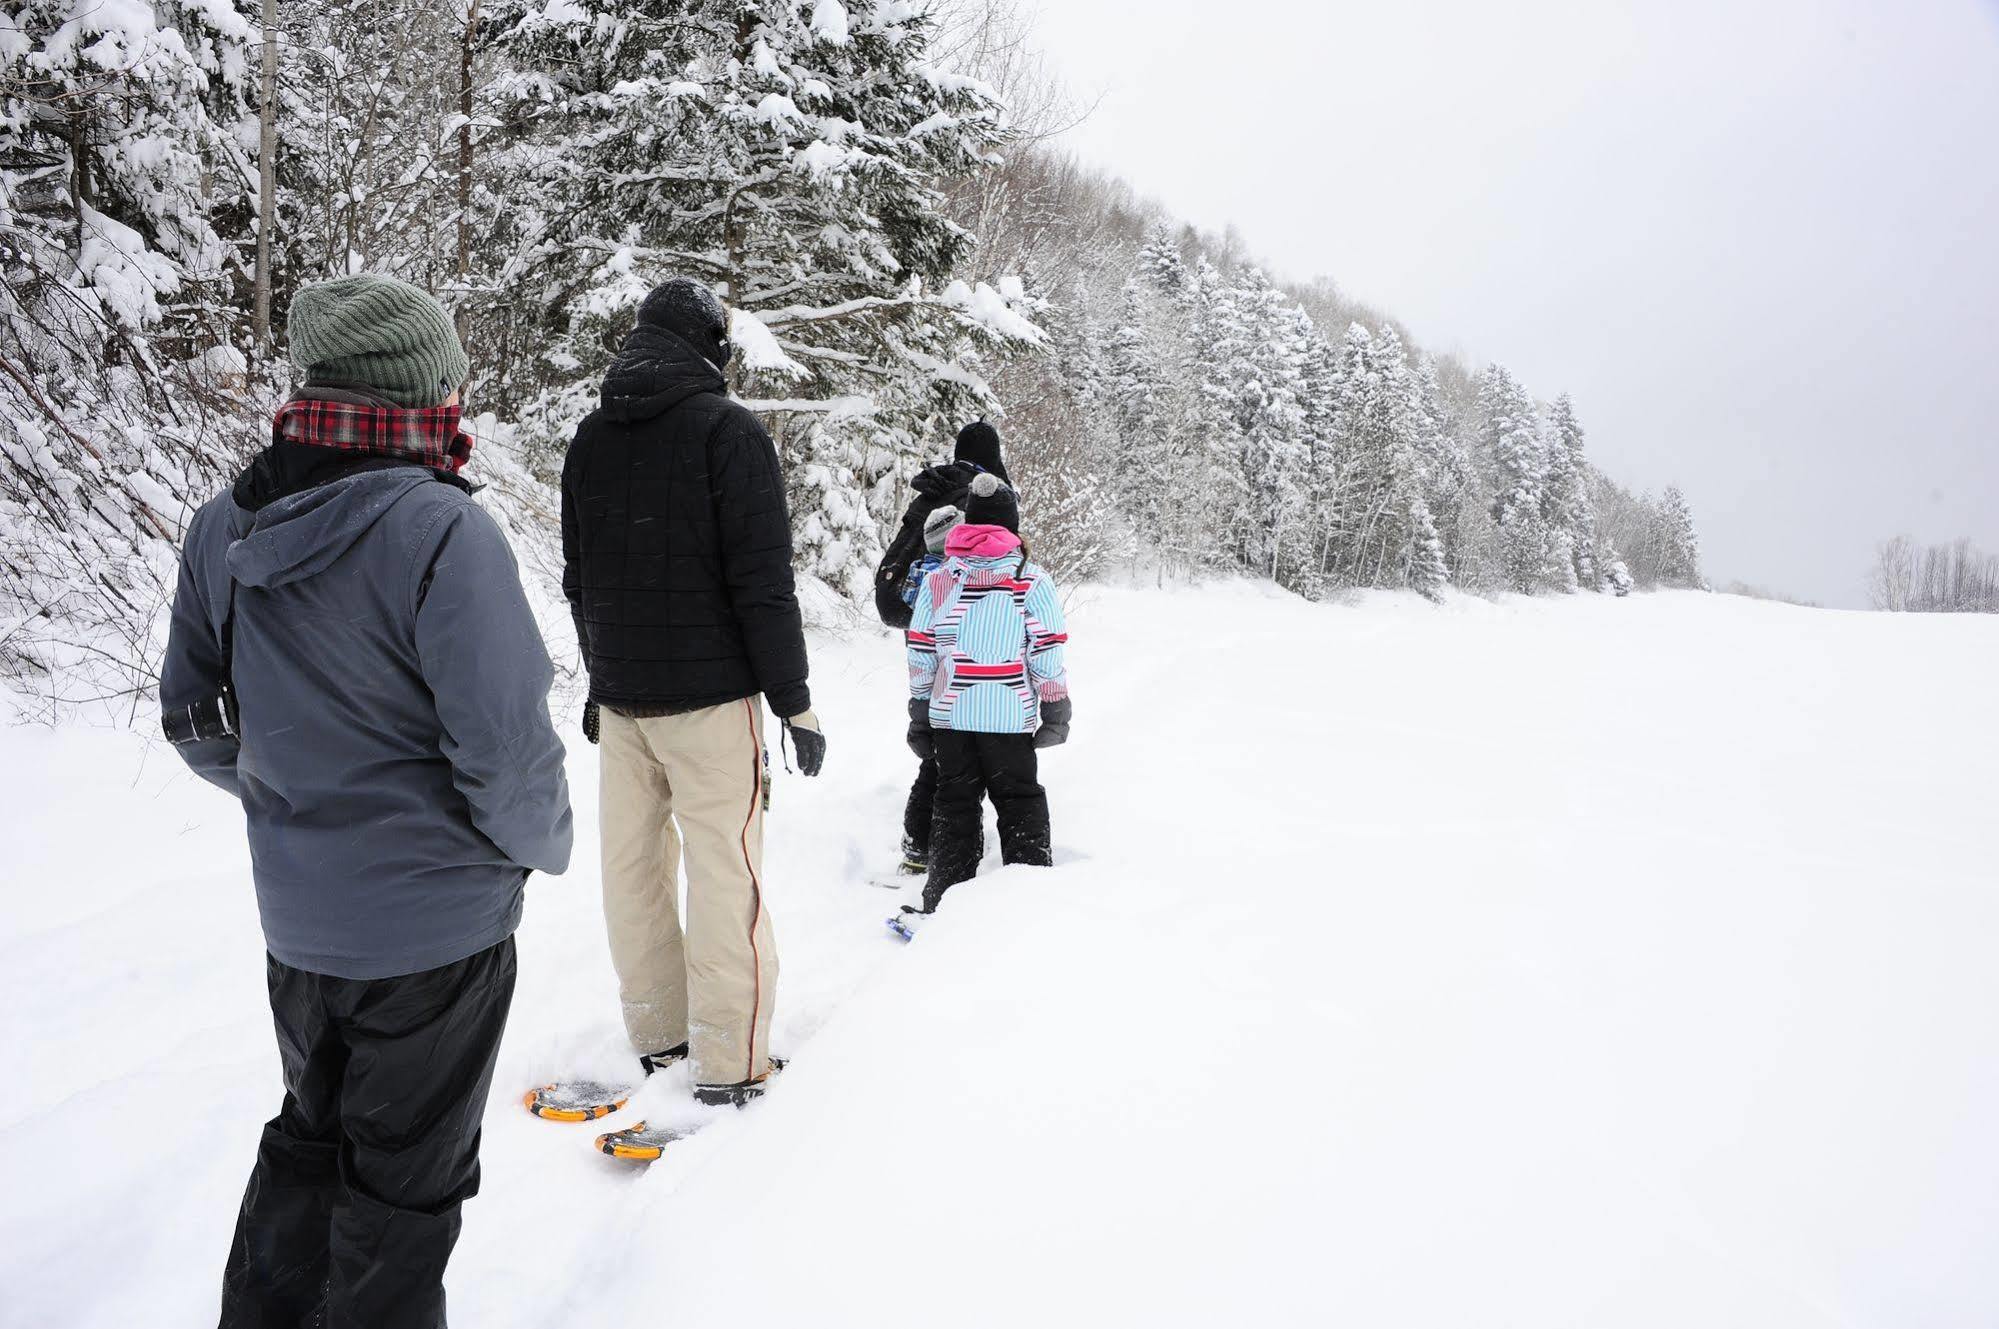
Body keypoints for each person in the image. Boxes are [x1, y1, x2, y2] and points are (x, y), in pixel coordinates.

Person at [159, 274, 573, 1329]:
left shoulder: (223, 523)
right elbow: (504, 745)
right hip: (438, 932)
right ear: (421, 383)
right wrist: (530, 850)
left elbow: (195, 718)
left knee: (313, 1142)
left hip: (301, 924)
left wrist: (286, 803)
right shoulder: (441, 529)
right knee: (404, 1191)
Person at [562, 276, 823, 1107]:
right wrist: (793, 700)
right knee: (725, 872)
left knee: (631, 870)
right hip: (711, 703)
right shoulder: (728, 432)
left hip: (624, 701)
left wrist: (600, 673)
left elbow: (580, 580)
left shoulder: (589, 439)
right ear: (709, 346)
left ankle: (659, 1035)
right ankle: (729, 1058)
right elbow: (762, 583)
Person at [900, 472, 1071, 926]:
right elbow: (1047, 648)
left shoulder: (940, 579)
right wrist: (1055, 706)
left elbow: (921, 648)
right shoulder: (1030, 580)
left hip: (951, 716)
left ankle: (942, 905)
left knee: (954, 804)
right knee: (1019, 800)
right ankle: (1028, 899)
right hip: (1008, 717)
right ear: (1011, 525)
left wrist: (920, 708)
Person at [872, 420, 1009, 874]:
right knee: (953, 739)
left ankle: (919, 839)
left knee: (936, 730)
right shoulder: (982, 495)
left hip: (921, 618)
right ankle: (930, 840)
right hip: (959, 628)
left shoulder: (935, 488)